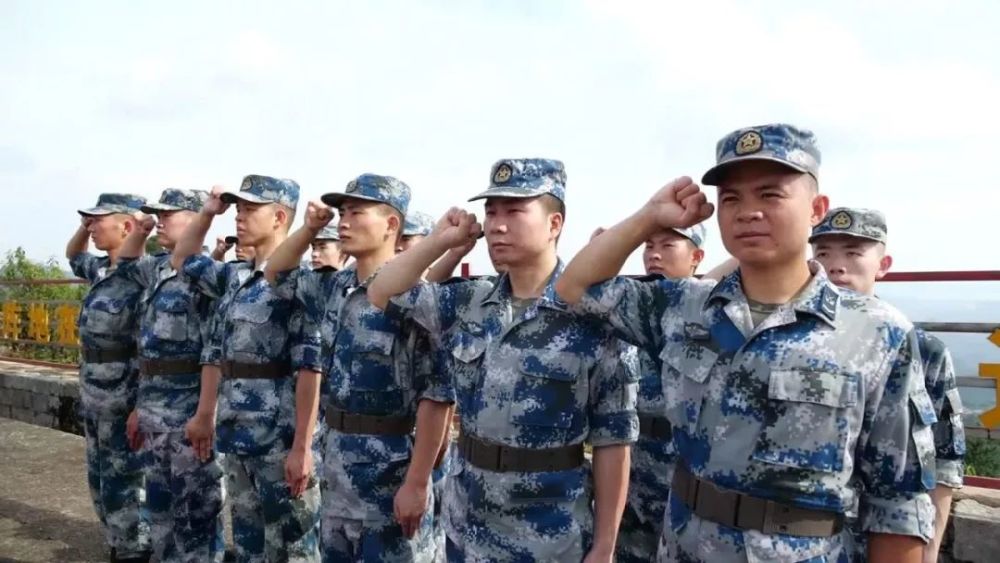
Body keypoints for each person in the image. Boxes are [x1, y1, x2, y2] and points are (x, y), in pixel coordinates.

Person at [554, 124, 936, 563]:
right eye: (732, 199)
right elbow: (574, 287)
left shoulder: (877, 333)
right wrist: (650, 218)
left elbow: (899, 502)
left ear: (816, 209)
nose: (748, 211)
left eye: (770, 195)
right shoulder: (684, 306)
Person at [368, 158, 638, 562]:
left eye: (514, 211)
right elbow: (382, 291)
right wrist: (440, 240)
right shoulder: (469, 302)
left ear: (554, 224)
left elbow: (613, 441)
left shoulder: (594, 314)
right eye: (490, 212)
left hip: (547, 534)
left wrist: (604, 546)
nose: (496, 224)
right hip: (467, 524)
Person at [264, 174, 454, 561]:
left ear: (391, 225)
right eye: (342, 212)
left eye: (357, 212)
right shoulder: (335, 287)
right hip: (338, 468)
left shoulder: (413, 299)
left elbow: (437, 396)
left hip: (390, 475)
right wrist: (309, 227)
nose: (343, 221)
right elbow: (276, 273)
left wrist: (417, 483)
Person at [170, 175, 322, 562]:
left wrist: (302, 446)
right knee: (249, 541)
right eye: (238, 208)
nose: (239, 216)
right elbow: (183, 260)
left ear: (278, 217)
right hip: (237, 434)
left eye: (250, 209)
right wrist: (207, 213)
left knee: (292, 545)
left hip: (278, 438)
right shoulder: (233, 278)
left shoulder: (298, 283)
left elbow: (310, 367)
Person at [810, 207, 965, 563]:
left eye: (852, 252)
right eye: (823, 253)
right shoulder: (793, 347)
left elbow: (944, 464)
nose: (835, 266)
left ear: (883, 264)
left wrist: (929, 552)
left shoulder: (922, 350)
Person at [115, 188, 225, 562]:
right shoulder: (159, 270)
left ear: (195, 219)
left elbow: (215, 349)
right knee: (160, 513)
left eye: (168, 214)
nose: (160, 220)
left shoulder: (206, 276)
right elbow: (126, 262)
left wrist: (205, 414)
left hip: (188, 417)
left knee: (194, 517)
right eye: (156, 215)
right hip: (155, 413)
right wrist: (142, 228)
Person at [67, 193, 152, 562]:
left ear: (127, 226)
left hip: (124, 398)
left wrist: (140, 406)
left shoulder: (141, 278)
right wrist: (83, 225)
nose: (92, 226)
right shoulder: (100, 268)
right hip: (95, 396)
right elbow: (73, 256)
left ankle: (136, 550)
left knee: (127, 482)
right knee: (100, 479)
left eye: (99, 220)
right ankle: (117, 543)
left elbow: (150, 351)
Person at [616, 222, 707, 563]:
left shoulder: (710, 315)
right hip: (634, 470)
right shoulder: (631, 312)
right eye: (648, 245)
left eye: (668, 245)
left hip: (684, 475)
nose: (653, 254)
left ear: (696, 257)